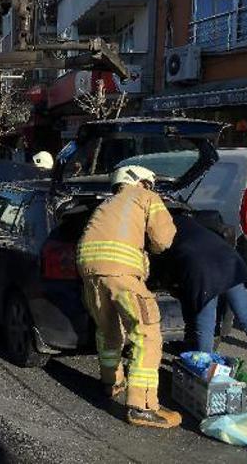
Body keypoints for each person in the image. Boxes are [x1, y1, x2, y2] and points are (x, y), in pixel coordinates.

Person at [77, 165, 181, 428]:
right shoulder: (146, 197)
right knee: (147, 333)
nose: (151, 188)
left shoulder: (105, 205)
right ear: (141, 182)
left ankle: (112, 383)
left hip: (89, 272)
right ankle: (142, 406)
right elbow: (163, 239)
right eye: (150, 183)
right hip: (121, 273)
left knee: (108, 329)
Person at [163, 214, 247, 387]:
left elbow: (171, 269)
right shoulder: (195, 221)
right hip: (231, 263)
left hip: (205, 271)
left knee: (205, 326)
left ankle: (205, 375)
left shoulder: (165, 230)